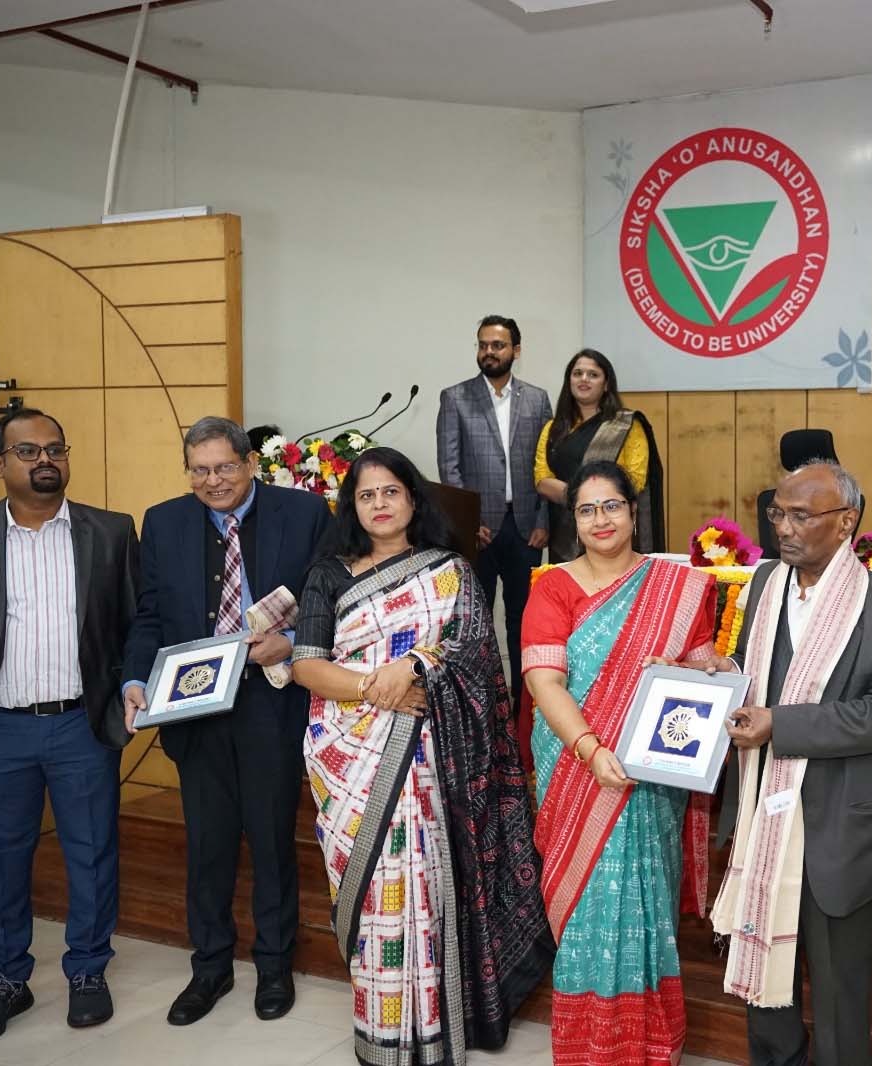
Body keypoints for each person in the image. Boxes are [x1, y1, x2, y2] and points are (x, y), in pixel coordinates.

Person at [291, 447, 553, 1063]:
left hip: (428, 750)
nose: (380, 504)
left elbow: (477, 655)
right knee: (373, 894)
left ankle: (433, 1026)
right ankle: (380, 1033)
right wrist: (373, 686)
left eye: (391, 492)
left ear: (413, 499)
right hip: (349, 754)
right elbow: (306, 664)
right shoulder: (329, 574)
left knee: (424, 885)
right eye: (366, 495)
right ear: (351, 507)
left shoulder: (449, 571)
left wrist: (415, 663)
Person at [704, 460, 872, 1066]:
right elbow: (758, 673)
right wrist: (724, 675)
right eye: (778, 513)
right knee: (761, 969)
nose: (784, 528)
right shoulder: (764, 584)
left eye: (801, 516)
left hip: (841, 821)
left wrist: (781, 724)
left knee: (838, 987)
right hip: (763, 807)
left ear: (846, 521)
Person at [122, 416, 330, 1026]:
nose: (213, 480)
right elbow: (150, 614)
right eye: (200, 470)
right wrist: (135, 681)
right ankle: (209, 967)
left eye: (225, 467)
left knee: (271, 841)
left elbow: (332, 601)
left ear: (251, 464)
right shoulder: (164, 522)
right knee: (207, 845)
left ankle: (274, 966)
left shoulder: (304, 513)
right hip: (195, 709)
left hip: (271, 702)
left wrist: (291, 641)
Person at [0, 408, 138, 1041]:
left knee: (92, 851)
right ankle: (5, 980)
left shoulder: (110, 531)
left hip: (82, 723)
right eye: (27, 451)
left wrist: (132, 691)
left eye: (54, 448)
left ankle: (88, 970)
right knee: (0, 857)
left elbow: (134, 625)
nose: (44, 459)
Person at [521, 459, 717, 1066]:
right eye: (586, 509)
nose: (600, 519)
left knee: (645, 904)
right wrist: (591, 749)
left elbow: (705, 668)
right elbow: (544, 682)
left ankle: (648, 1047)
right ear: (573, 521)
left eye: (611, 506)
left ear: (634, 512)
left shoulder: (677, 588)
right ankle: (591, 1050)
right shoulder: (553, 587)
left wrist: (694, 670)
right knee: (588, 911)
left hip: (651, 775)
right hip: (578, 770)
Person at [436, 314, 553, 703]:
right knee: (476, 624)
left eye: (497, 345)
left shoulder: (537, 399)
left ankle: (524, 708)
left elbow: (546, 466)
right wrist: (466, 522)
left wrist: (543, 519)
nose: (489, 351)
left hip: (526, 528)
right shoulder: (455, 397)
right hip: (479, 532)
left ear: (515, 351)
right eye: (483, 344)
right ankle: (484, 709)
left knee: (525, 622)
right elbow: (449, 468)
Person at [533, 349, 665, 561]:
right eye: (577, 373)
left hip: (611, 530)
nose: (584, 379)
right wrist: (581, 498)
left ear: (606, 385)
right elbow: (541, 479)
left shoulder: (626, 426)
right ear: (569, 381)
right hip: (565, 536)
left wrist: (588, 501)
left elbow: (635, 480)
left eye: (593, 374)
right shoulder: (552, 428)